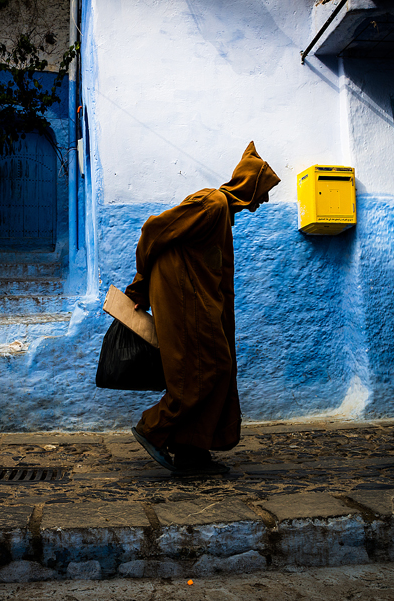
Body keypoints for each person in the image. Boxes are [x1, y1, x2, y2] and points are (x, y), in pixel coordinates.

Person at [125, 141, 280, 476]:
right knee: (204, 371)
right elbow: (155, 230)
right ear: (249, 186)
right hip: (184, 301)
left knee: (216, 370)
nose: (263, 200)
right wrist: (140, 287)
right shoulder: (211, 203)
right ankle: (153, 427)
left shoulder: (223, 214)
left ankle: (191, 452)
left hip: (198, 302)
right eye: (263, 191)